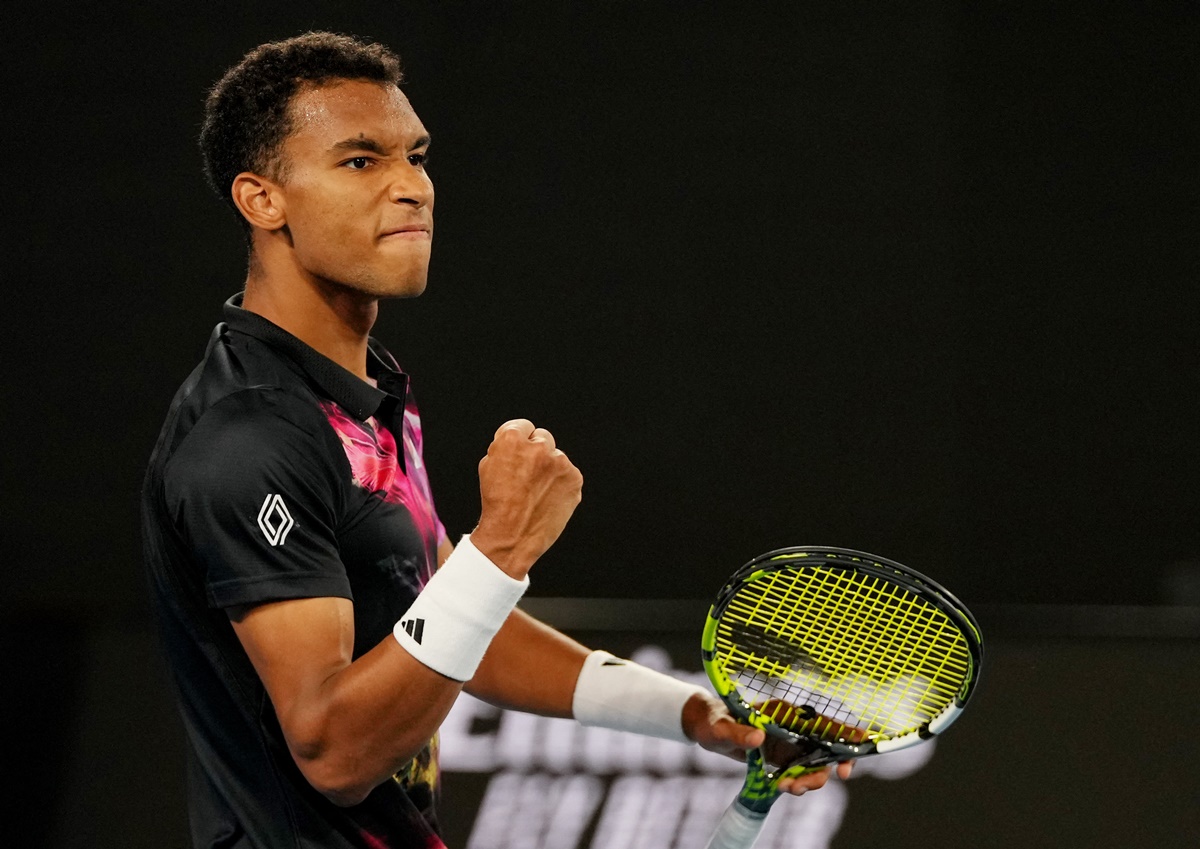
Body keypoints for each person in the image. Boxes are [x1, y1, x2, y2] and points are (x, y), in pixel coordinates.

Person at [141, 31, 850, 849]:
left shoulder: (361, 386)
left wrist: (692, 713)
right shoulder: (249, 439)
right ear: (263, 200)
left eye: (416, 155)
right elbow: (333, 751)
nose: (412, 187)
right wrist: (502, 548)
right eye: (361, 162)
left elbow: (447, 618)